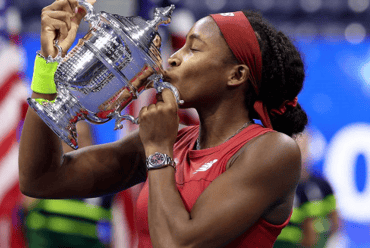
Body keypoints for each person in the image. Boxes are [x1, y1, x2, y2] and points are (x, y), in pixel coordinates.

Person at [19, 0, 308, 247]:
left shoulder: (272, 150)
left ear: (236, 75)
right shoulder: (172, 140)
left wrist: (158, 148)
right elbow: (41, 180)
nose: (172, 59)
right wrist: (49, 64)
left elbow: (178, 243)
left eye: (193, 49)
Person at [23, 122, 113, 248]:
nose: (76, 146)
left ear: (94, 144)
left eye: (83, 139)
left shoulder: (108, 190)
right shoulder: (37, 184)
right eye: (70, 139)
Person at [274, 131, 338, 248]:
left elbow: (312, 233)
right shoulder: (272, 185)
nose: (301, 154)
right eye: (296, 147)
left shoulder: (318, 185)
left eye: (304, 148)